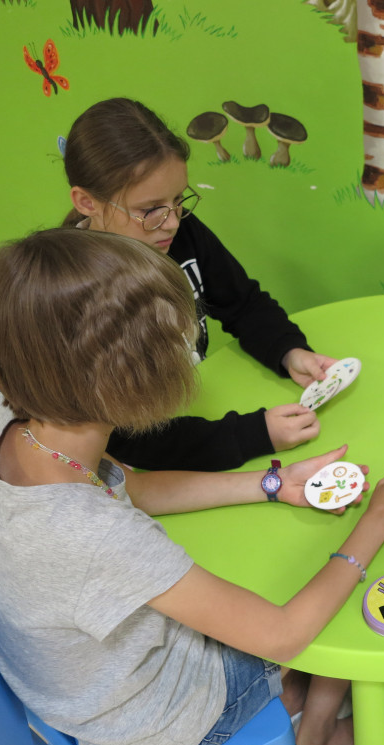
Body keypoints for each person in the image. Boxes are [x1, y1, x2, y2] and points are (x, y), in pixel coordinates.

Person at [0, 227, 384, 745]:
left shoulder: (15, 417)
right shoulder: (97, 536)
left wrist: (272, 483)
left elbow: (134, 487)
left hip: (80, 683)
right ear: (124, 381)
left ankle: (292, 699)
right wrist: (378, 520)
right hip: (162, 717)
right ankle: (316, 740)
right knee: (334, 593)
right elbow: (282, 635)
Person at [61, 97, 332, 472]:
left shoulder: (178, 231)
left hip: (196, 409)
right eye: (150, 209)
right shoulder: (70, 292)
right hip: (143, 466)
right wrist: (252, 435)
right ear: (87, 202)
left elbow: (242, 303)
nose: (173, 221)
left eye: (178, 199)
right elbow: (128, 440)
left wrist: (288, 351)